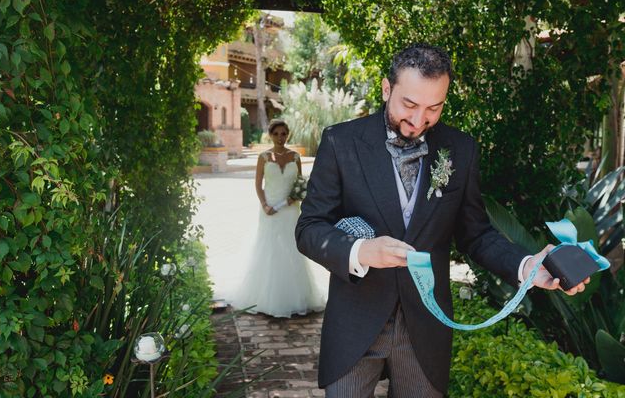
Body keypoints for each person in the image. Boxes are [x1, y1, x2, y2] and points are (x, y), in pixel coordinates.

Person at [295, 43, 589, 397]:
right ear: (387, 89)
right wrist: (361, 252)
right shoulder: (341, 142)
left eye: (434, 107)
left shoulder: (461, 149)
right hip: (355, 325)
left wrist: (526, 267)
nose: (420, 121)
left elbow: (476, 235)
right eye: (409, 105)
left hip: (425, 330)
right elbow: (310, 228)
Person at [231, 119, 326, 318]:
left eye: (284, 134)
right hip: (270, 209)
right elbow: (258, 184)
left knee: (292, 246)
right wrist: (265, 205)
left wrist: (295, 197)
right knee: (270, 248)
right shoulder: (263, 157)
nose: (280, 137)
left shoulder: (295, 156)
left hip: (290, 209)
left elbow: (300, 183)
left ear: (287, 135)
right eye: (276, 134)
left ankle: (297, 296)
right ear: (270, 135)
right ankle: (268, 297)